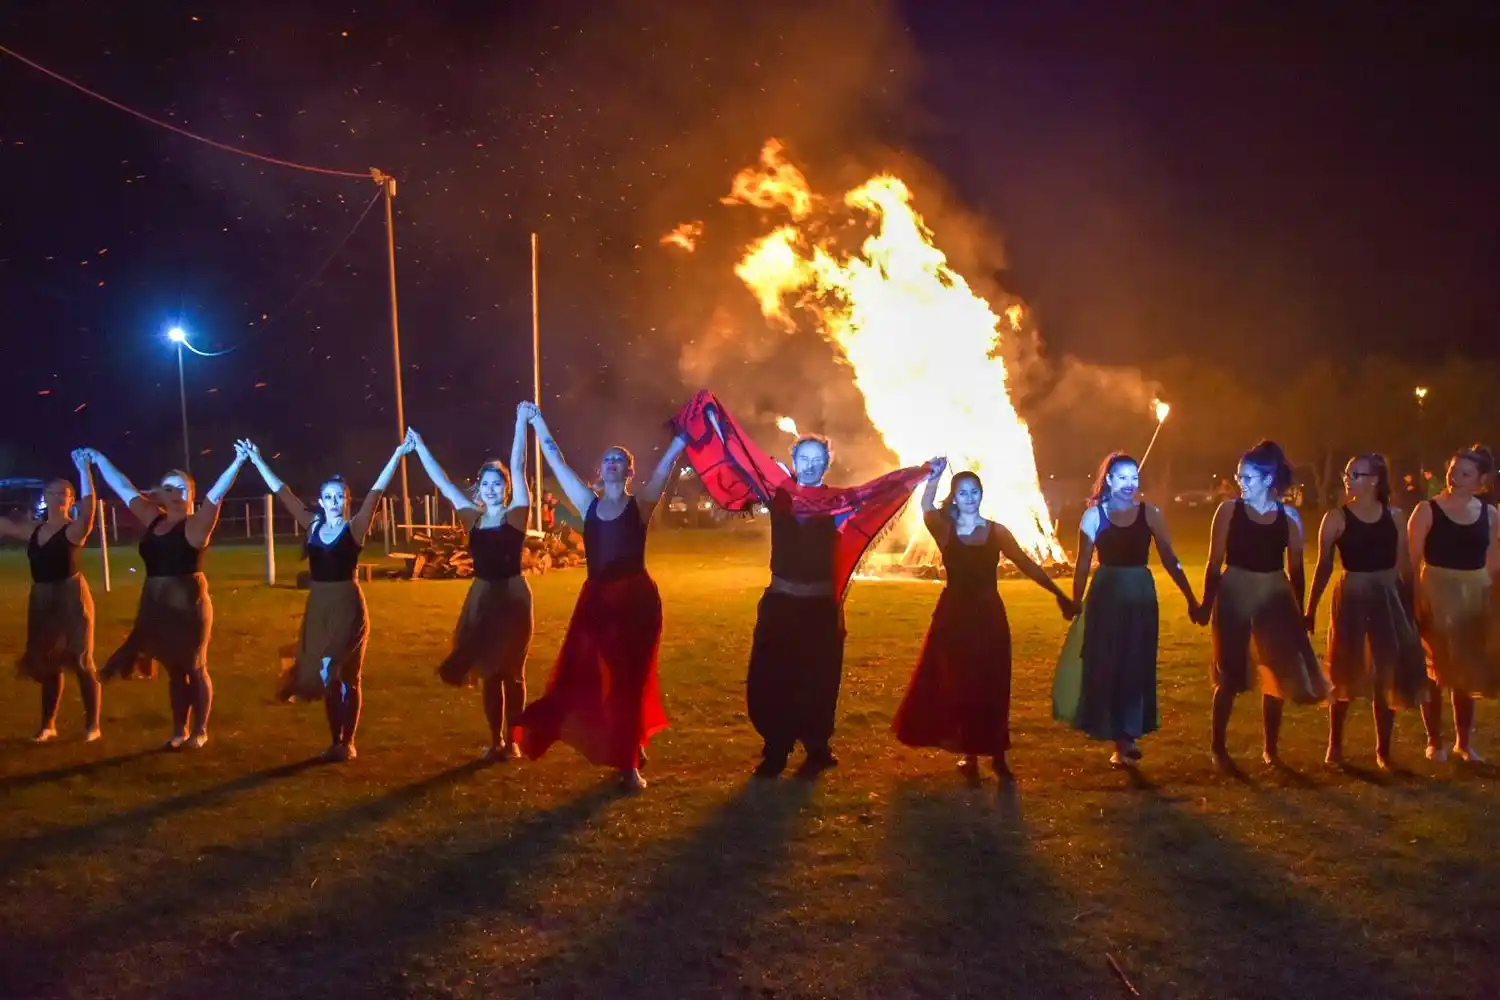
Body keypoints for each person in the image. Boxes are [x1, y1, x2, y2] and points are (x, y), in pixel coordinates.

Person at [667, 390, 936, 779]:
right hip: (781, 604)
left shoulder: (837, 502)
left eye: (818, 460)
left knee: (819, 679)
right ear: (793, 462)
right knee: (771, 676)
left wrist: (922, 473)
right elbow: (742, 454)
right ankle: (775, 749)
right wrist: (711, 416)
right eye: (804, 459)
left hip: (818, 610)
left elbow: (878, 491)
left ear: (827, 465)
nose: (810, 466)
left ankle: (817, 748)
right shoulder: (778, 494)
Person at [516, 404, 686, 790]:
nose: (612, 463)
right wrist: (538, 420)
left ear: (629, 471)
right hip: (597, 605)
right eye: (607, 459)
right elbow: (555, 460)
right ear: (600, 469)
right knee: (587, 678)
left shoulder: (639, 506)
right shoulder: (587, 503)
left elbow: (662, 471)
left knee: (630, 680)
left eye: (619, 460)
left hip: (637, 604)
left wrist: (679, 441)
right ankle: (626, 746)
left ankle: (629, 763)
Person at [894, 462, 1075, 779]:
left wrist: (1057, 592)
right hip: (954, 614)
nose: (969, 497)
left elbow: (1025, 563)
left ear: (981, 495)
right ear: (955, 496)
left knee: (992, 681)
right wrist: (934, 478)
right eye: (962, 492)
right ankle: (969, 754)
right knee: (960, 682)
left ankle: (998, 753)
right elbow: (925, 506)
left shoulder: (996, 531)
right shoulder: (945, 530)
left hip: (989, 613)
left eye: (974, 492)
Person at [242, 437, 408, 762]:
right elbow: (283, 494)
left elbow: (375, 493)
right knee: (327, 677)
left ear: (346, 501)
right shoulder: (313, 526)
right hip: (319, 607)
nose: (333, 501)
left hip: (348, 606)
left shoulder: (355, 528)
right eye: (328, 497)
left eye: (339, 497)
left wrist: (398, 454)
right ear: (320, 500)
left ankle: (349, 740)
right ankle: (336, 742)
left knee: (346, 674)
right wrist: (258, 459)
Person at [91, 445, 248, 749]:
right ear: (160, 495)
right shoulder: (154, 520)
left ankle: (199, 731)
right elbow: (124, 488)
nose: (175, 494)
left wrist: (237, 461)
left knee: (194, 666)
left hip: (189, 606)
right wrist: (100, 460)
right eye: (168, 488)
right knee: (174, 670)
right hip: (156, 605)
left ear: (191, 492)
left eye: (182, 488)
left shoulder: (196, 525)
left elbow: (216, 495)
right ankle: (179, 731)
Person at [1053, 453, 1199, 767]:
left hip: (1140, 596)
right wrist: (1076, 600)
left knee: (1136, 662)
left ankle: (1127, 736)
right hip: (1106, 595)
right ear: (1108, 479)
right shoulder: (1094, 516)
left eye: (1134, 477)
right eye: (1122, 477)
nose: (1129, 484)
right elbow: (1081, 565)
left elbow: (1170, 558)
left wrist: (1190, 597)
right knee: (1107, 661)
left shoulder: (1150, 514)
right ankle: (1117, 737)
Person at [407, 405, 533, 763]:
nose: (491, 490)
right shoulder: (472, 518)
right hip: (481, 596)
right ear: (479, 488)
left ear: (507, 489)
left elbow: (520, 464)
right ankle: (496, 742)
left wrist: (520, 423)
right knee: (489, 672)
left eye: (498, 484)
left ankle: (515, 740)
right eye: (486, 484)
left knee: (514, 672)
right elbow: (443, 483)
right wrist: (421, 450)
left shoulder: (516, 515)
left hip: (513, 597)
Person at [1194, 440, 1330, 769]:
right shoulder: (1229, 511)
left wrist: (1301, 611)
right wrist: (1205, 604)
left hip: (1274, 593)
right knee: (1230, 673)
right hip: (1235, 591)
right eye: (1239, 475)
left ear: (1268, 480)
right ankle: (1218, 747)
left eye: (1248, 477)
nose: (1240, 481)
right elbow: (1214, 563)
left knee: (1276, 671)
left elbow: (1296, 569)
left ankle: (1270, 748)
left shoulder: (1289, 518)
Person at [1305, 454, 1427, 768]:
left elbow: (1404, 563)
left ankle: (1383, 750)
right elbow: (1323, 567)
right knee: (1345, 669)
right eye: (1347, 472)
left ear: (1374, 480)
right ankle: (1335, 745)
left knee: (1386, 672)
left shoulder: (1395, 516)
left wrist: (1412, 602)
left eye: (1356, 473)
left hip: (1387, 594)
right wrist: (1310, 607)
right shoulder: (1336, 517)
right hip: (1353, 594)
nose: (1348, 478)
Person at [1407, 444, 1500, 763]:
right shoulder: (1427, 509)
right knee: (1436, 668)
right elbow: (1411, 558)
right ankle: (1435, 741)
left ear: (1480, 480)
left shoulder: (1489, 513)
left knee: (1466, 669)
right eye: (1453, 470)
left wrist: (1489, 597)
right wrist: (1418, 597)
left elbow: (1493, 559)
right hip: (1436, 588)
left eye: (1465, 473)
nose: (1455, 476)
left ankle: (1463, 741)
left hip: (1473, 592)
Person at [3, 451, 100, 742]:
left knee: (82, 661)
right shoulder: (34, 530)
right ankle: (48, 725)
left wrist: (84, 471)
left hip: (71, 596)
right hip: (42, 598)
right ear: (45, 495)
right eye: (55, 492)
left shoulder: (74, 530)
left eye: (66, 494)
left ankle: (92, 726)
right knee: (48, 662)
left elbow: (90, 510)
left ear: (71, 500)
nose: (60, 497)